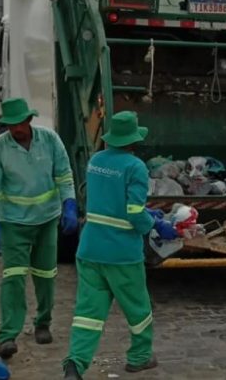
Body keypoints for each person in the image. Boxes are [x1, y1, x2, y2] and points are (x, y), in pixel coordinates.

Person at [62, 111, 178, 380]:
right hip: (121, 253)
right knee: (138, 308)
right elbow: (133, 212)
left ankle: (75, 364)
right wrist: (156, 226)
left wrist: (149, 213)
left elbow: (109, 201)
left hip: (90, 248)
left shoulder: (96, 161)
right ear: (133, 139)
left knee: (88, 313)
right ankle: (139, 357)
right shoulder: (135, 166)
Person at [0, 97, 78, 359]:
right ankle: (8, 336)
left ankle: (43, 323)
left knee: (46, 275)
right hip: (14, 223)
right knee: (12, 279)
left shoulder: (50, 141)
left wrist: (69, 203)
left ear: (29, 120)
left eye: (19, 123)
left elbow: (63, 174)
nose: (16, 129)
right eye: (10, 125)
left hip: (47, 220)